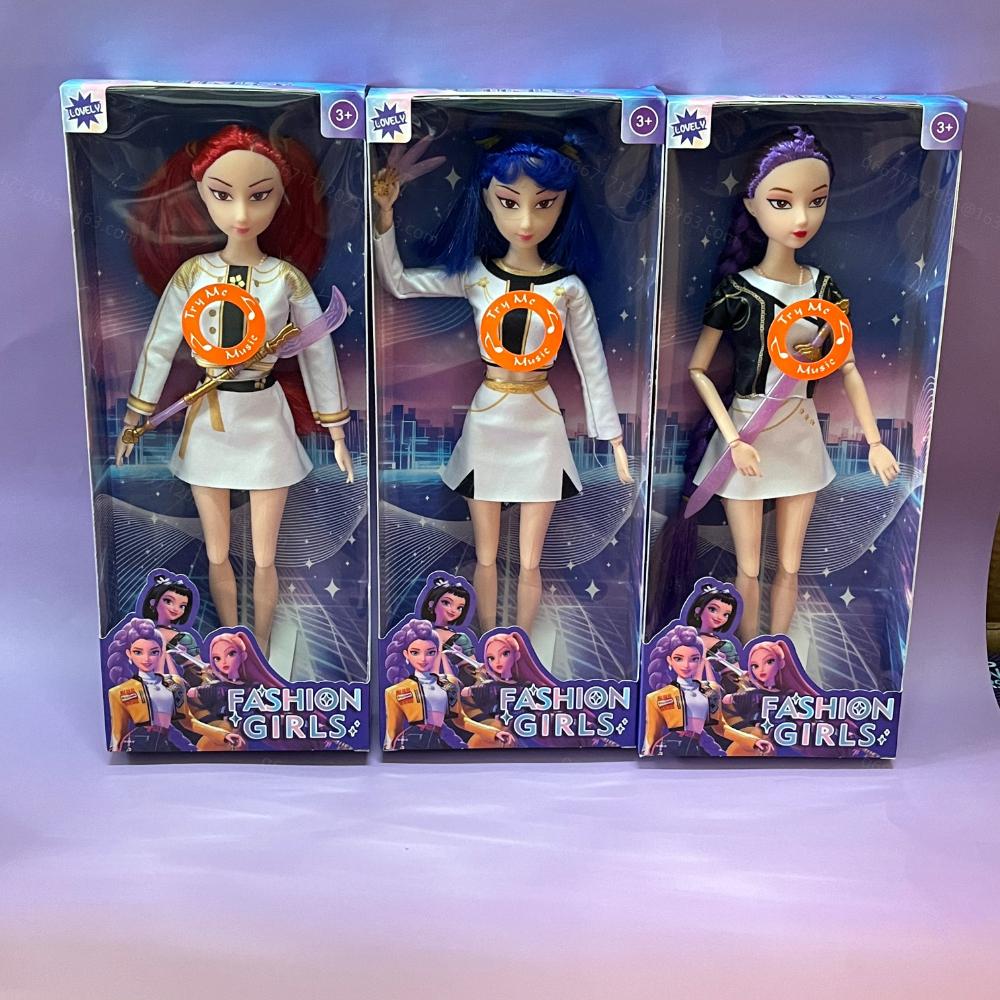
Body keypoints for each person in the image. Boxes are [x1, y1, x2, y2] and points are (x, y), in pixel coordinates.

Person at [372, 128, 632, 633]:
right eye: (510, 203)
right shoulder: (477, 275)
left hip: (540, 420)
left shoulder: (566, 287)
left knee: (531, 561)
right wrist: (385, 215)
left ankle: (522, 647)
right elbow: (399, 284)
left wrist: (614, 438)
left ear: (563, 206)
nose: (527, 220)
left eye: (544, 204)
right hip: (490, 417)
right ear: (487, 201)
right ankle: (488, 641)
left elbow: (592, 362)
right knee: (486, 555)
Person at [116, 125, 353, 650]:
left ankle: (260, 647)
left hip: (265, 418)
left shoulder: (284, 278)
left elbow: (316, 350)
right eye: (223, 196)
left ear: (280, 199)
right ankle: (229, 643)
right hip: (211, 418)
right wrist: (136, 416)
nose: (242, 213)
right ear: (201, 194)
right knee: (217, 551)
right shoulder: (192, 274)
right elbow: (159, 346)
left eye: (259, 196)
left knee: (266, 556)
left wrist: (335, 428)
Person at [687, 126, 899, 642]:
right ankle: (746, 655)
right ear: (752, 205)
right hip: (747, 431)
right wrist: (732, 440)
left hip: (800, 432)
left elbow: (847, 367)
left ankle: (775, 654)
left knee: (789, 565)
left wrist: (875, 441)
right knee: (749, 567)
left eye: (816, 201)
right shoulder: (737, 292)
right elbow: (698, 369)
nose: (801, 218)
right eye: (782, 203)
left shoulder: (824, 289)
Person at [383, 618, 514, 750]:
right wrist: (389, 752)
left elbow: (461, 721)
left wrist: (494, 733)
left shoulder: (448, 683)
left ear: (437, 653)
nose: (423, 659)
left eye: (430, 652)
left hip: (439, 741)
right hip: (410, 743)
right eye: (415, 652)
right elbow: (393, 731)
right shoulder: (395, 691)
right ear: (406, 654)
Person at [642, 624, 771, 757]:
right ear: (669, 660)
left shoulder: (711, 690)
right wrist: (647, 754)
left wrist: (754, 741)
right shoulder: (656, 697)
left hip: (696, 749)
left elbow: (722, 729)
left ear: (700, 660)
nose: (686, 665)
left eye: (694, 659)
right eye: (678, 659)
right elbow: (652, 735)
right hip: (669, 749)